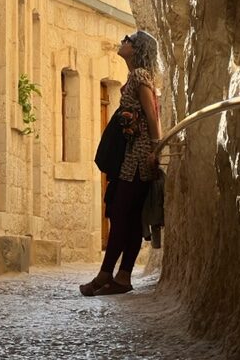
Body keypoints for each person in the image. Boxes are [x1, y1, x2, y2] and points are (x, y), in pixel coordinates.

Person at [80, 30, 161, 296]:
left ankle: (107, 275)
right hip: (131, 160)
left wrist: (154, 149)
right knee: (128, 217)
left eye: (129, 39)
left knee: (121, 215)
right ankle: (121, 276)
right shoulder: (136, 76)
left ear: (137, 49)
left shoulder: (139, 77)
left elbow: (151, 115)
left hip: (137, 160)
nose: (123, 41)